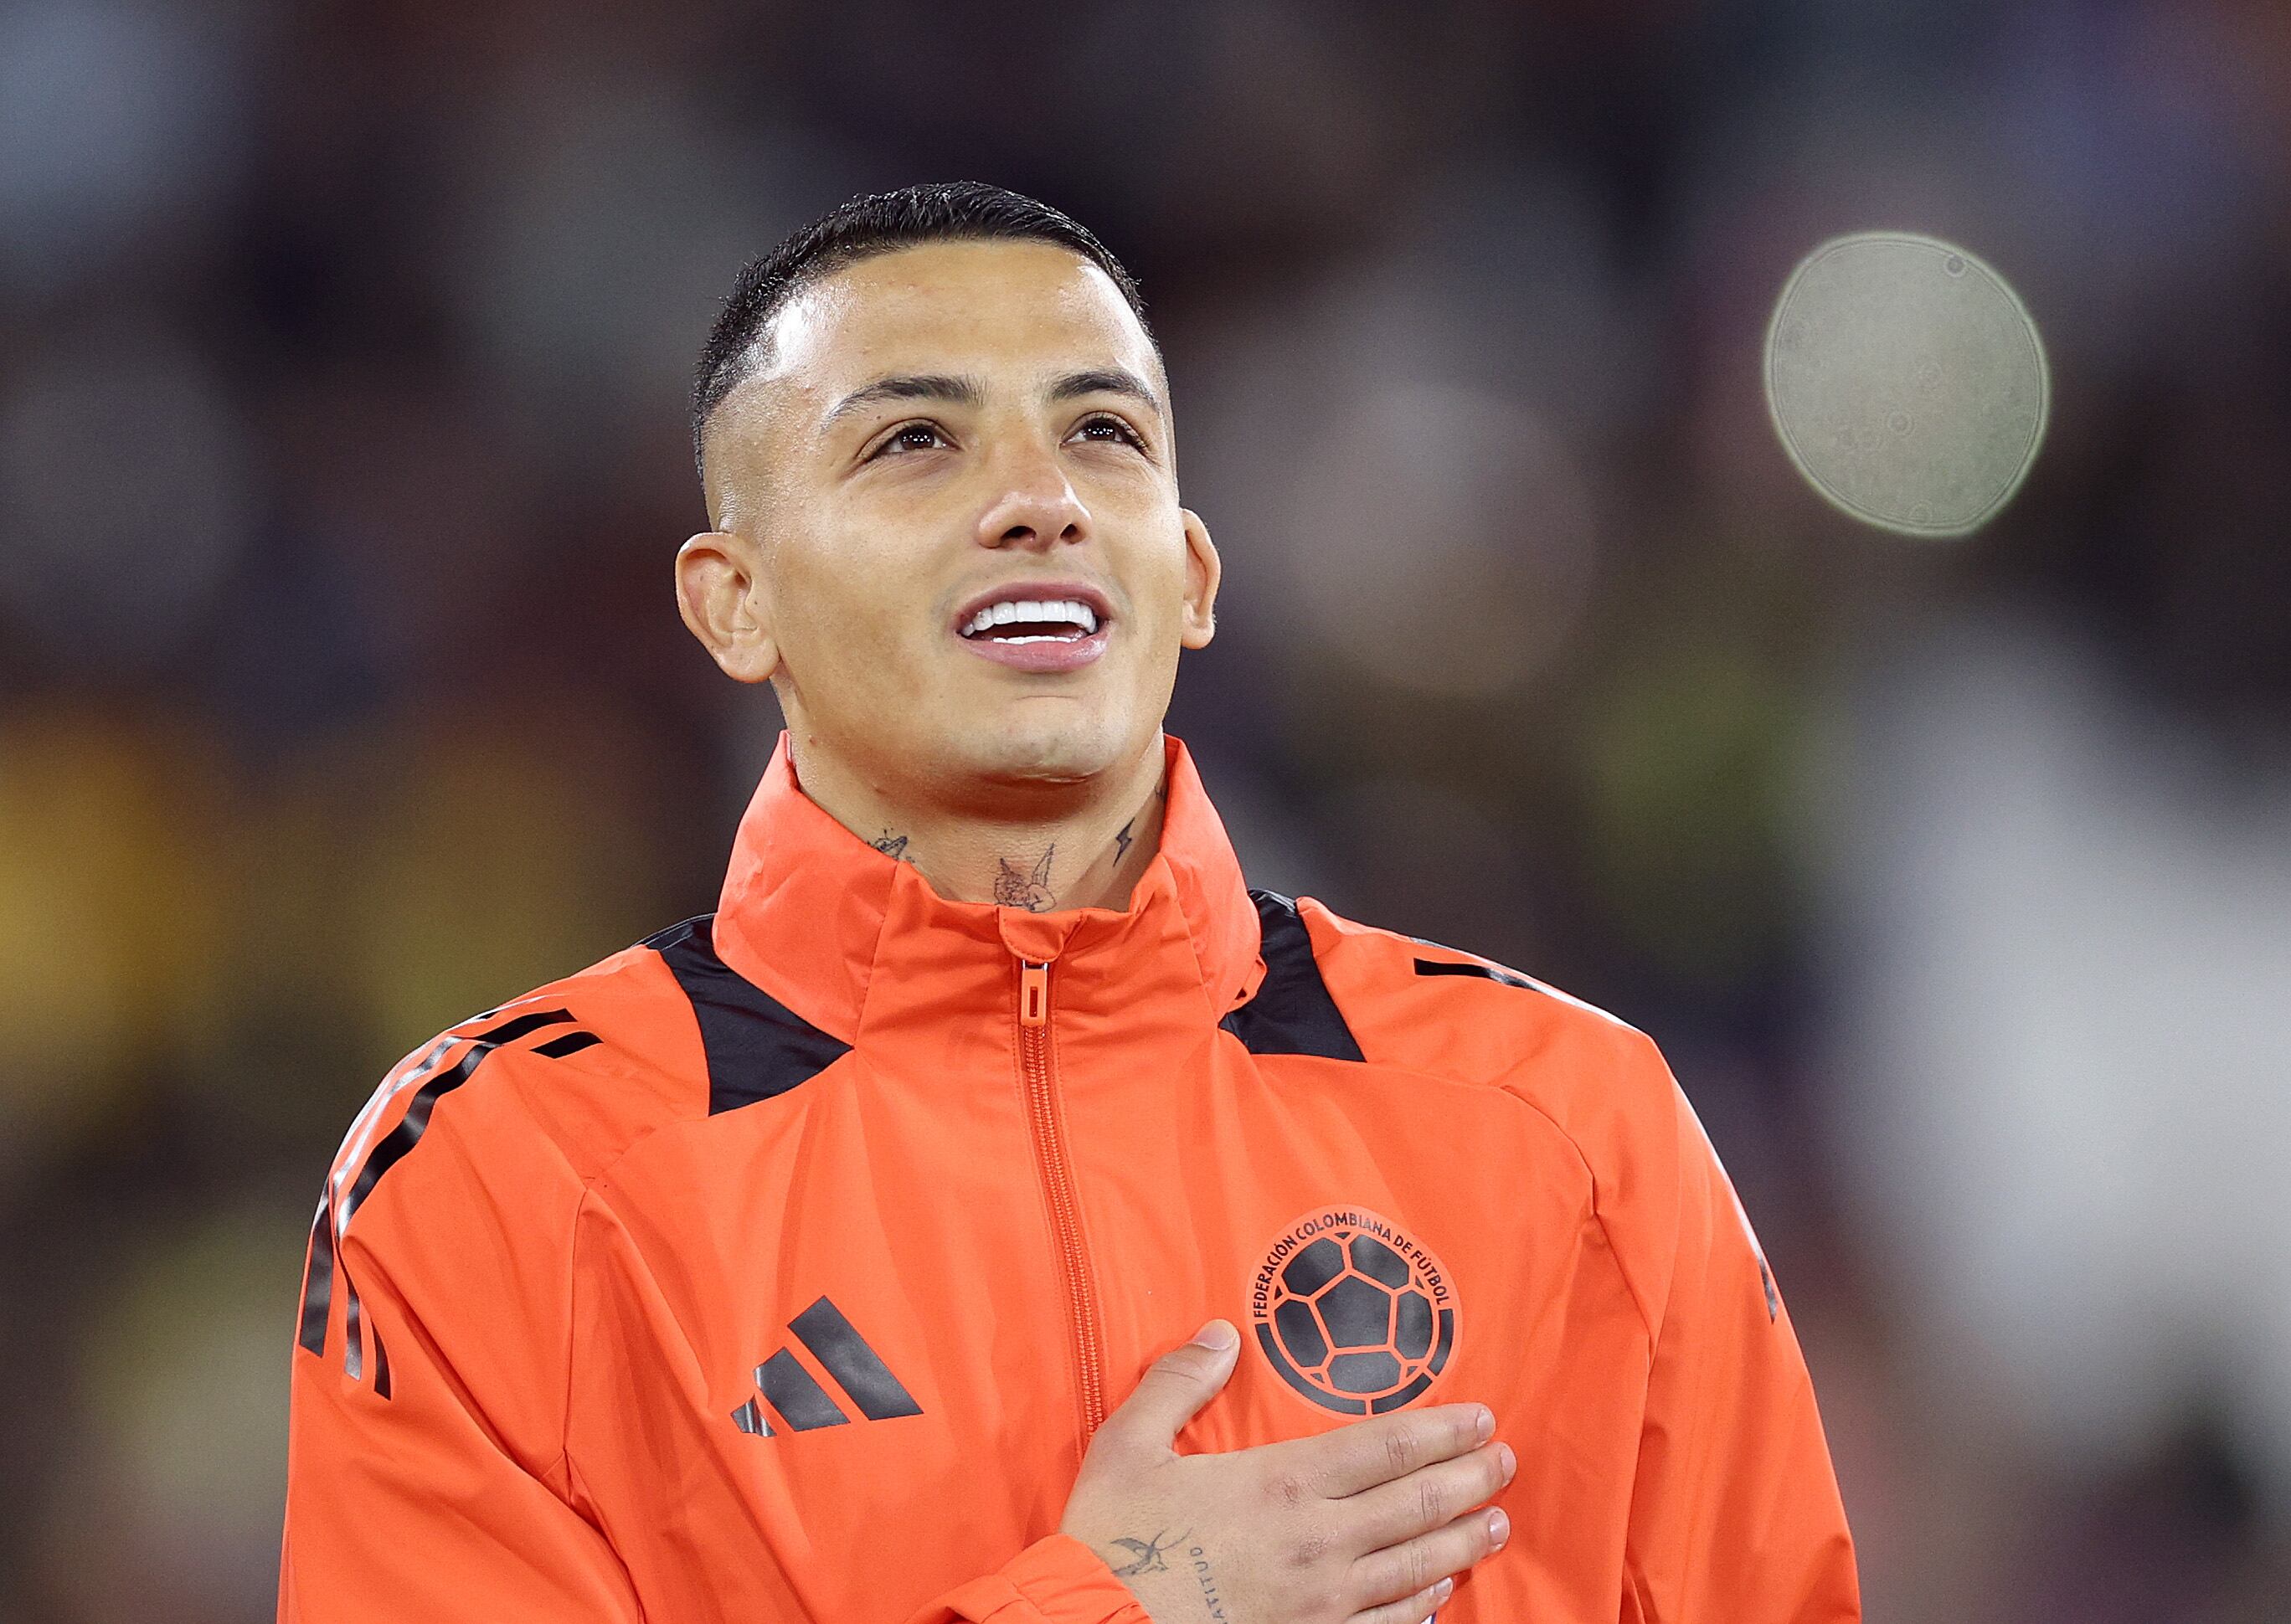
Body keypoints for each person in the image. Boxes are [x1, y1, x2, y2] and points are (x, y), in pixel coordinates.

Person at [279, 182, 1861, 1623]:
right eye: (915, 441)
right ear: (734, 601)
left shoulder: (1571, 1123)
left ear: (1190, 575)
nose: (1039, 499)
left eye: (1102, 433)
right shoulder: (500, 1183)